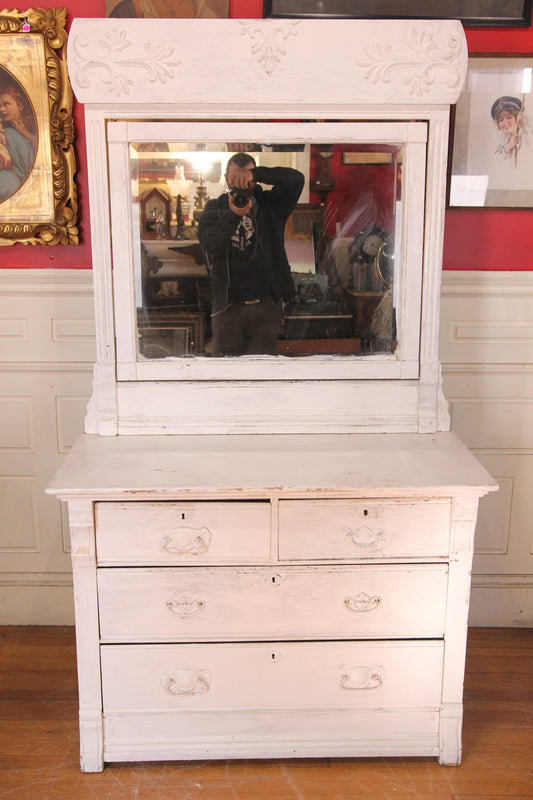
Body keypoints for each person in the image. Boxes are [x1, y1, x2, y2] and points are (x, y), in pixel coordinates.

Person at [198, 152, 304, 356]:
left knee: (261, 376)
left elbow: (296, 179)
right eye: (235, 177)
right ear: (227, 178)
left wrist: (257, 173)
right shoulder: (215, 207)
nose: (240, 184)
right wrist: (232, 215)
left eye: (245, 178)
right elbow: (210, 244)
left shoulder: (271, 204)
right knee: (227, 377)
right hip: (227, 308)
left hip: (266, 307)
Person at [0, 85, 36, 202]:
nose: (2, 109)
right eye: (0, 106)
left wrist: (24, 132)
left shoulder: (30, 126)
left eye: (6, 104)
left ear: (19, 106)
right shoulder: (7, 133)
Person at [491, 95, 529, 163]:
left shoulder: (527, 137)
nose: (505, 122)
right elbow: (495, 165)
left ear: (518, 118)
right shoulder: (502, 144)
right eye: (501, 120)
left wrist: (524, 128)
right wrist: (507, 149)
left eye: (509, 117)